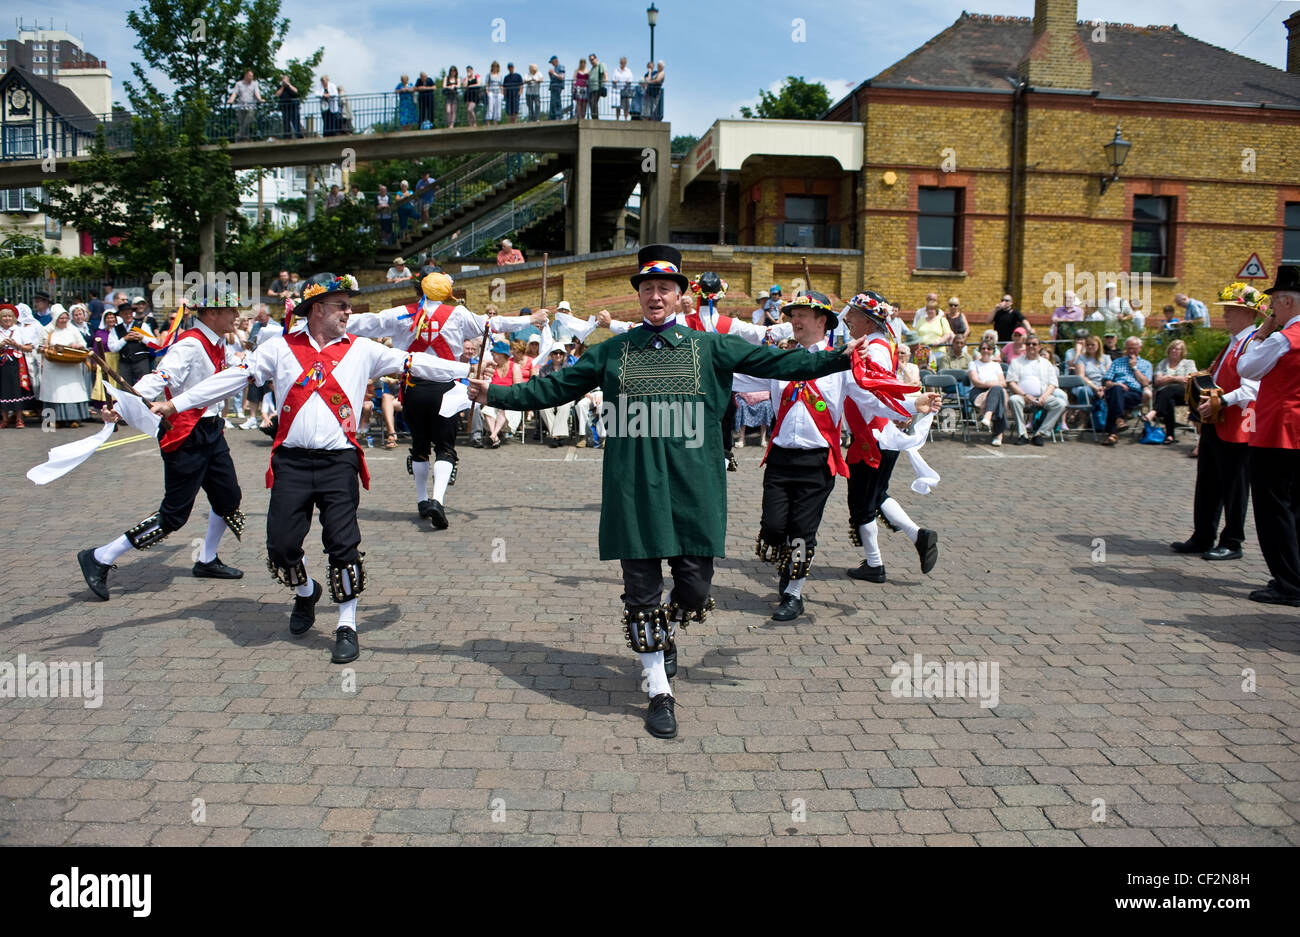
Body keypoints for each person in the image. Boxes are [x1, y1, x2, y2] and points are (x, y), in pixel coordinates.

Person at [468, 245, 884, 739]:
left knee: (695, 589)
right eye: (646, 288)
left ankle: (666, 633)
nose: (655, 295)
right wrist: (494, 393)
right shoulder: (613, 352)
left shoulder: (711, 348)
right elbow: (553, 390)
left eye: (665, 287)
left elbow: (782, 364)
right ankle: (658, 688)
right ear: (638, 297)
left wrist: (841, 357)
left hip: (694, 486)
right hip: (633, 487)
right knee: (642, 594)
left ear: (682, 296)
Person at [151, 275, 473, 662]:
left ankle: (346, 625)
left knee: (343, 546)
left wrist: (467, 371)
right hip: (292, 462)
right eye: (342, 305)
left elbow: (414, 362)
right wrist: (177, 403)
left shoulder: (364, 350)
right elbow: (231, 379)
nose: (349, 312)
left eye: (349, 305)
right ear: (317, 310)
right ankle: (306, 593)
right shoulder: (279, 349)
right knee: (281, 548)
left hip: (339, 462)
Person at [734, 290, 938, 621]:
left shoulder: (842, 364)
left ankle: (793, 592)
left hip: (817, 462)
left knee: (802, 530)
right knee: (773, 527)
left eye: (802, 315)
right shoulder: (779, 361)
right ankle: (788, 563)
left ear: (822, 322)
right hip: (780, 460)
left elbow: (872, 398)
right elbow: (735, 377)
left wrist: (913, 404)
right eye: (792, 315)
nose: (794, 320)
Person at [77, 287, 250, 603]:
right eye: (231, 310)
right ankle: (100, 556)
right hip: (186, 435)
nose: (236, 315)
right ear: (210, 313)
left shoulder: (218, 342)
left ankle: (207, 559)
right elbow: (159, 379)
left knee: (229, 498)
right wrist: (121, 405)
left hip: (211, 431)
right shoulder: (189, 345)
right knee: (174, 515)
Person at [346, 273, 543, 527]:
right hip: (447, 390)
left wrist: (319, 317)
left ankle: (421, 500)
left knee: (418, 447)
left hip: (413, 389)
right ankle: (437, 500)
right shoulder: (458, 314)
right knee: (444, 448)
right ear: (446, 292)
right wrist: (532, 319)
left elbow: (366, 322)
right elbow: (493, 324)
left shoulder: (401, 314)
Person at [839, 292, 940, 581]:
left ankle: (875, 564)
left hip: (872, 436)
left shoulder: (875, 348)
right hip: (879, 433)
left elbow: (876, 389)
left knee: (862, 502)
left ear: (869, 321)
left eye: (853, 315)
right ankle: (917, 535)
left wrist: (908, 404)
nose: (847, 318)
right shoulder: (877, 342)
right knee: (876, 495)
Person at [1171, 285, 1263, 563]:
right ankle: (1203, 535)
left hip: (1237, 424)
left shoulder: (1253, 343)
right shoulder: (1233, 342)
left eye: (1231, 309)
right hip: (1216, 420)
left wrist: (1220, 401)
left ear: (1248, 313)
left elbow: (1252, 389)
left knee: (1235, 486)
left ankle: (1233, 541)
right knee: (1208, 481)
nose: (1225, 314)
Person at [1237, 266, 1300, 605]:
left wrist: (1262, 332)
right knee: (1295, 508)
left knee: (1273, 508)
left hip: (1279, 430)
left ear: (1287, 301)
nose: (1272, 308)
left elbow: (1246, 367)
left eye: (1275, 300)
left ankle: (1289, 582)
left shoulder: (1283, 338)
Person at [1006, 335, 1064, 446]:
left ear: (1039, 346)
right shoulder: (1016, 362)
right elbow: (1011, 382)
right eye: (1028, 344)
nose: (1031, 346)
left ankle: (1040, 434)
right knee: (1013, 400)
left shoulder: (1046, 363)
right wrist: (1024, 395)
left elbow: (1053, 384)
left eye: (1034, 344)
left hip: (1042, 397)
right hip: (1023, 396)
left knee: (1060, 404)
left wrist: (1044, 397)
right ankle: (1022, 435)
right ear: (1025, 346)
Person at [40, 305, 91, 427]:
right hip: (54, 366)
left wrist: (77, 346)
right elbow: (40, 346)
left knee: (72, 392)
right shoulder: (47, 330)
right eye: (61, 318)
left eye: (65, 318)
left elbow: (83, 343)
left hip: (71, 366)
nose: (63, 320)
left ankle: (74, 418)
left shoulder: (72, 329)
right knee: (54, 394)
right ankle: (53, 420)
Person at [1099, 336, 1152, 446]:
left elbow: (1145, 383)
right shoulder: (1117, 362)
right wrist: (1116, 384)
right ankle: (1118, 421)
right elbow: (1106, 382)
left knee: (1115, 398)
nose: (1130, 351)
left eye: (1133, 348)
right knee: (1116, 390)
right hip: (1115, 390)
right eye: (1128, 348)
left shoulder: (1146, 364)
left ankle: (1113, 430)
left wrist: (1134, 367)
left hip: (1133, 394)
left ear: (1140, 348)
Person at [1145, 339, 1197, 444]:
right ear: (1168, 350)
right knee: (1169, 400)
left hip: (1183, 394)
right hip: (1164, 396)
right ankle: (1170, 436)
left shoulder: (1188, 363)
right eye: (1172, 348)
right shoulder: (1162, 363)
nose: (1174, 351)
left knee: (1171, 388)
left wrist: (1169, 378)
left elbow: (1188, 380)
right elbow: (1157, 381)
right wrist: (1177, 378)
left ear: (1182, 352)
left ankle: (1154, 412)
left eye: (1177, 349)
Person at [0, 303, 34, 426]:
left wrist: (17, 345)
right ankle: (5, 419)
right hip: (2, 363)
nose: (7, 318)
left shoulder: (20, 330)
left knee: (16, 390)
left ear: (14, 318)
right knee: (2, 390)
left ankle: (19, 418)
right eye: (4, 316)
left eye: (9, 316)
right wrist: (1, 344)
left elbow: (29, 348)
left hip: (16, 363)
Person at [969, 337, 1008, 445]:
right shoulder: (973, 364)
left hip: (995, 392)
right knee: (998, 391)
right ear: (980, 350)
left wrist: (992, 385)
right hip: (978, 392)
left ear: (992, 351)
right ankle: (998, 435)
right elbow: (976, 382)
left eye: (989, 348)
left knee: (998, 391)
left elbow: (1004, 383)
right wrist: (991, 383)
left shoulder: (996, 365)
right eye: (983, 348)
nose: (986, 350)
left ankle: (988, 415)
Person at [1071, 334, 1111, 431]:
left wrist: (1103, 387)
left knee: (1114, 391)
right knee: (1084, 391)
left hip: (1103, 385)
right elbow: (1081, 376)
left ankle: (1111, 421)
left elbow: (1109, 375)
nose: (1090, 347)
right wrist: (1095, 388)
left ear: (1098, 345)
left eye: (1092, 345)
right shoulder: (1082, 358)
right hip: (1087, 384)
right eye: (1088, 345)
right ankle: (1083, 420)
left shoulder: (1106, 358)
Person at [226, 69, 263, 141]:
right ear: (245, 76)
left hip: (251, 106)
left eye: (252, 76)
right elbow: (234, 93)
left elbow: (257, 93)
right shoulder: (239, 84)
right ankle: (245, 138)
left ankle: (239, 134)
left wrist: (260, 99)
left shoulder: (254, 84)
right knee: (242, 123)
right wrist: (231, 100)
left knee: (249, 119)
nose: (251, 77)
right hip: (241, 106)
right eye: (250, 76)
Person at [274, 74, 303, 138]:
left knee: (295, 121)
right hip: (285, 107)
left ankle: (298, 135)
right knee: (286, 122)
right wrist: (283, 87)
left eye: (286, 80)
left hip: (293, 107)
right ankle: (287, 135)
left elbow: (296, 91)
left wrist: (288, 85)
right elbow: (277, 94)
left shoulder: (291, 86)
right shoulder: (280, 87)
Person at [587, 53, 607, 119]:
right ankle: (594, 118)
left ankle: (595, 119)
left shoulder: (600, 65)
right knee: (591, 104)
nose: (591, 61)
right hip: (591, 89)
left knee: (594, 103)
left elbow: (605, 74)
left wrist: (605, 79)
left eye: (592, 59)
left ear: (596, 59)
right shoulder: (592, 69)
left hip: (597, 88)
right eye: (590, 60)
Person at [547, 56, 565, 120]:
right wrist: (550, 74)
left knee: (557, 101)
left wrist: (553, 73)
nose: (551, 64)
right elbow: (552, 79)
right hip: (552, 87)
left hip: (558, 87)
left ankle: (558, 115)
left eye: (552, 62)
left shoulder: (561, 67)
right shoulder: (554, 68)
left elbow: (562, 77)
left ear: (555, 61)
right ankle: (552, 116)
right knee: (553, 102)